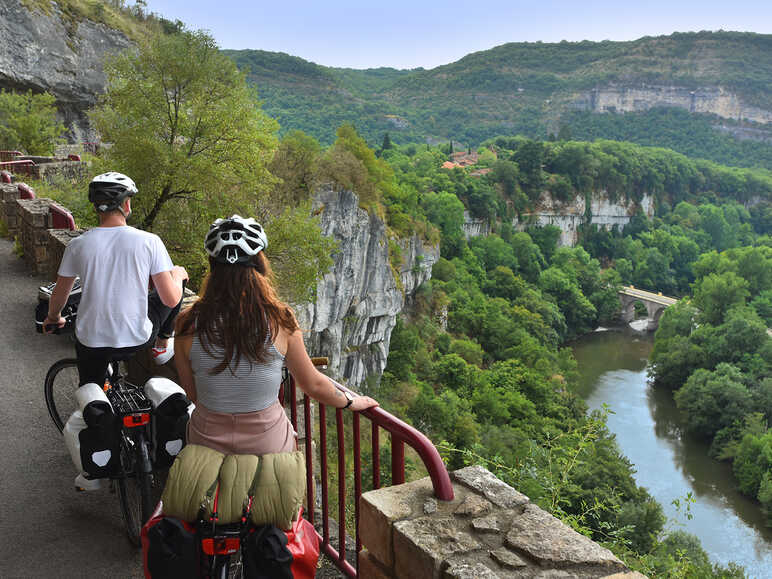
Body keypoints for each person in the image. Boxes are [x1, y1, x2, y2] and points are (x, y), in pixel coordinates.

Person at [174, 215, 378, 456]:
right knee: (286, 467)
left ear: (213, 267)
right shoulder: (280, 319)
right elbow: (312, 384)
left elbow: (192, 392)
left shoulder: (186, 322)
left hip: (207, 442)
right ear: (260, 265)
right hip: (265, 443)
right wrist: (351, 401)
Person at [44, 172, 189, 389]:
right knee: (172, 280)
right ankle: (162, 344)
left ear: (96, 207)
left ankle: (93, 405)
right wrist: (177, 275)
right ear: (126, 205)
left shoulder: (78, 245)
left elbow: (60, 294)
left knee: (91, 396)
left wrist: (53, 317)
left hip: (92, 341)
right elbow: (170, 299)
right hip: (137, 338)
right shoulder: (150, 242)